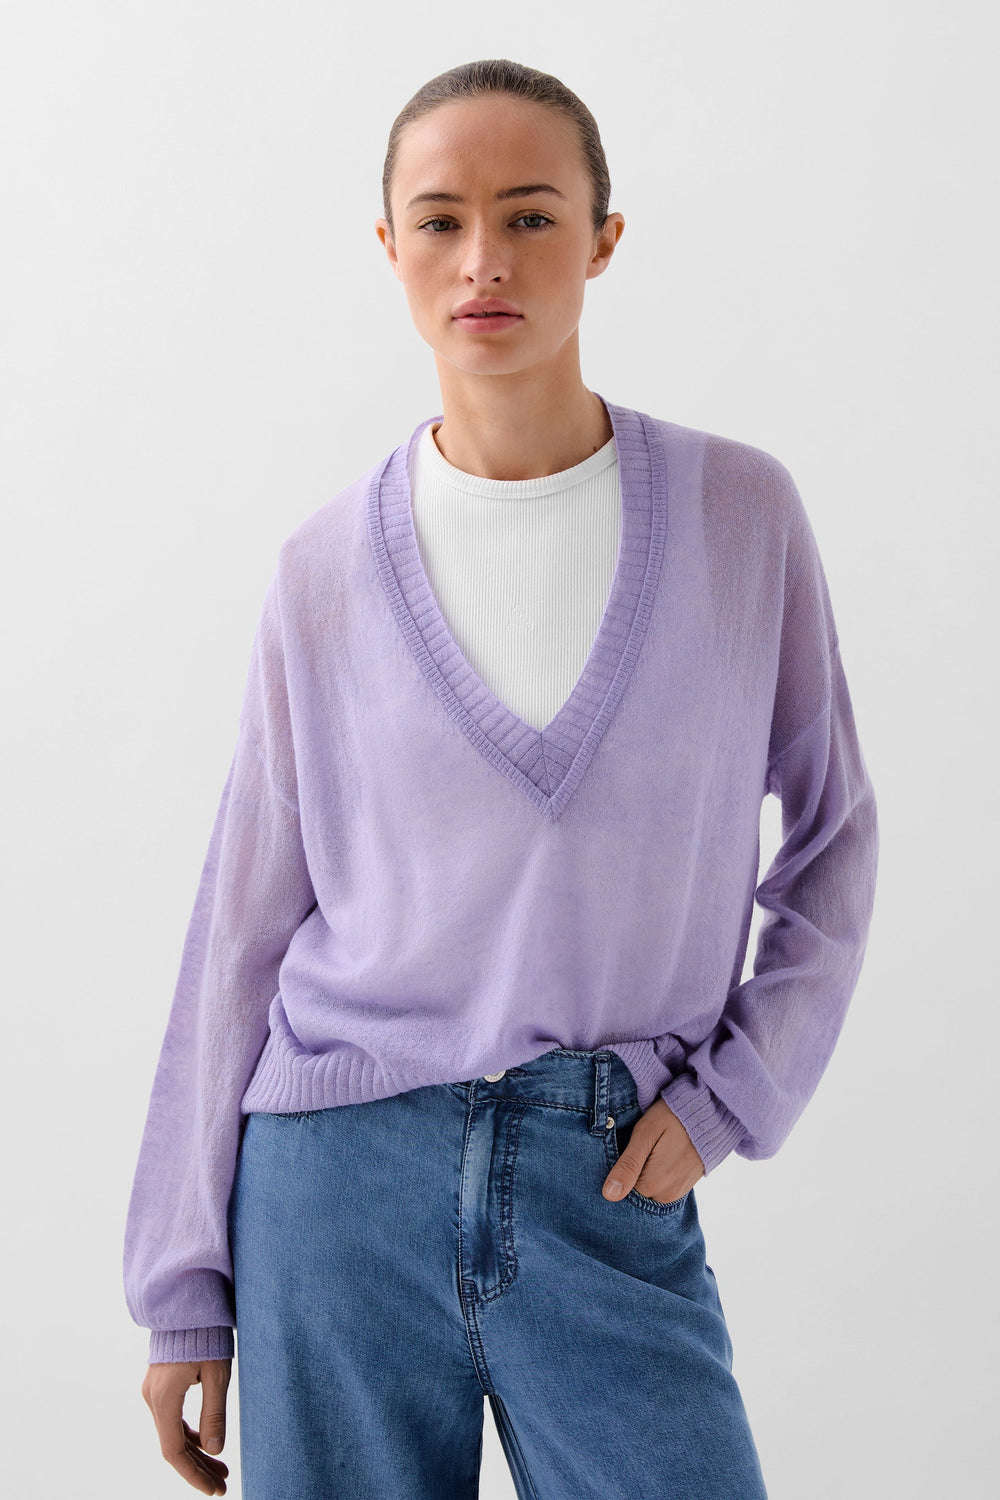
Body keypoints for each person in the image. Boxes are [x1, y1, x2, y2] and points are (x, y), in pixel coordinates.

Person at [124, 57, 879, 1500]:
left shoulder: (739, 516)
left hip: (609, 1170)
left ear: (603, 239)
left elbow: (834, 832)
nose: (485, 260)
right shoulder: (322, 571)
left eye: (531, 216)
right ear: (390, 246)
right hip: (335, 1191)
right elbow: (241, 928)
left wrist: (732, 1096)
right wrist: (184, 1289)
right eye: (441, 220)